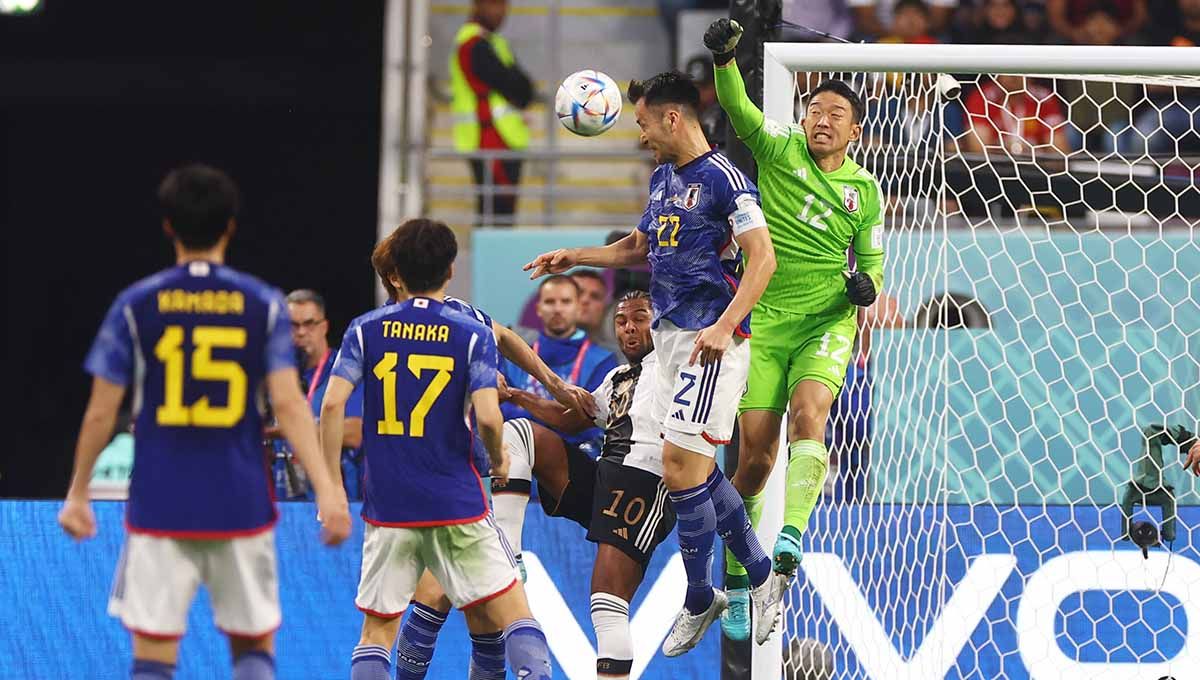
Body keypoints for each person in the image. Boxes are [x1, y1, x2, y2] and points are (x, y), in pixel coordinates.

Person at [524, 70, 786, 656]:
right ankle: (752, 577)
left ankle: (705, 594)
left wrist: (724, 328)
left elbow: (762, 259)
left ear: (672, 118)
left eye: (642, 122)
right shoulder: (664, 177)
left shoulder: (725, 180)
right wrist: (574, 256)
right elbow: (637, 246)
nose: (639, 134)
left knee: (677, 464)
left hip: (710, 339)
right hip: (669, 340)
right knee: (687, 472)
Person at [57, 164, 351, 680]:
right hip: (240, 500)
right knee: (252, 646)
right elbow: (288, 405)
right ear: (230, 226)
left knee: (153, 654)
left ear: (168, 225)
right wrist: (328, 489)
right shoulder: (261, 304)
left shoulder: (136, 304)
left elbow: (102, 410)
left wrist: (78, 491)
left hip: (158, 503)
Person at [705, 19, 886, 639]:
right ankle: (735, 576)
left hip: (825, 322)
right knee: (753, 461)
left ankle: (789, 542)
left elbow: (874, 268)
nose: (821, 120)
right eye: (814, 110)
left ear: (853, 129)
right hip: (765, 322)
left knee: (813, 413)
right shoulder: (779, 150)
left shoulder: (865, 190)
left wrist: (866, 288)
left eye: (835, 113)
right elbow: (737, 107)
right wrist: (726, 58)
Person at [318, 218, 551, 680]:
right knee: (515, 614)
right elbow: (488, 417)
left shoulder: (365, 329)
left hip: (388, 507)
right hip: (457, 503)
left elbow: (330, 406)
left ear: (397, 272)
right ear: (450, 271)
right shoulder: (471, 332)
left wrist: (331, 490)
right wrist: (500, 457)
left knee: (376, 634)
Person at [360, 223, 592, 680]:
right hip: (454, 483)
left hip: (394, 492)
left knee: (443, 614)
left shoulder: (376, 330)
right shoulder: (455, 322)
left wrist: (552, 384)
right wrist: (496, 392)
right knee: (464, 602)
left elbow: (503, 337)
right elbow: (485, 397)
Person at [501, 275, 619, 457]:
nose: (557, 309)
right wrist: (557, 417)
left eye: (565, 302)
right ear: (538, 308)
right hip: (517, 456)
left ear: (579, 306)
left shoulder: (602, 360)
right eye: (550, 302)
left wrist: (524, 412)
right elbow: (497, 410)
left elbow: (592, 422)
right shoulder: (514, 355)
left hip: (573, 464)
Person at [266, 289, 365, 500]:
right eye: (293, 325)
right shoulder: (274, 373)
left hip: (334, 497)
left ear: (324, 327)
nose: (301, 332)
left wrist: (287, 430)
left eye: (309, 324)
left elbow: (354, 433)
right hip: (282, 499)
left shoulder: (346, 369)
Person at [450, 0, 534, 226]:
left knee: (502, 214)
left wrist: (521, 89)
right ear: (477, 5)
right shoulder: (472, 44)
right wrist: (520, 89)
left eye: (505, 5)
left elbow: (526, 88)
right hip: (489, 139)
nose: (502, 12)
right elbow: (516, 86)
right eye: (495, 5)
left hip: (505, 139)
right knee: (495, 215)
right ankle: (492, 261)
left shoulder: (495, 42)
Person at [962, 73, 1072, 155]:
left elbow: (1059, 152)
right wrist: (1004, 150)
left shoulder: (1043, 98)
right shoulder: (982, 97)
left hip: (1037, 169)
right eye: (1007, 70)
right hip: (995, 170)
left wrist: (1031, 153)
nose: (1013, 76)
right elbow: (978, 150)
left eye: (1019, 69)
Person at [571, 268, 617, 351]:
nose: (585, 300)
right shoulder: (539, 349)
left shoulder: (613, 358)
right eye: (578, 292)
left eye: (595, 296)